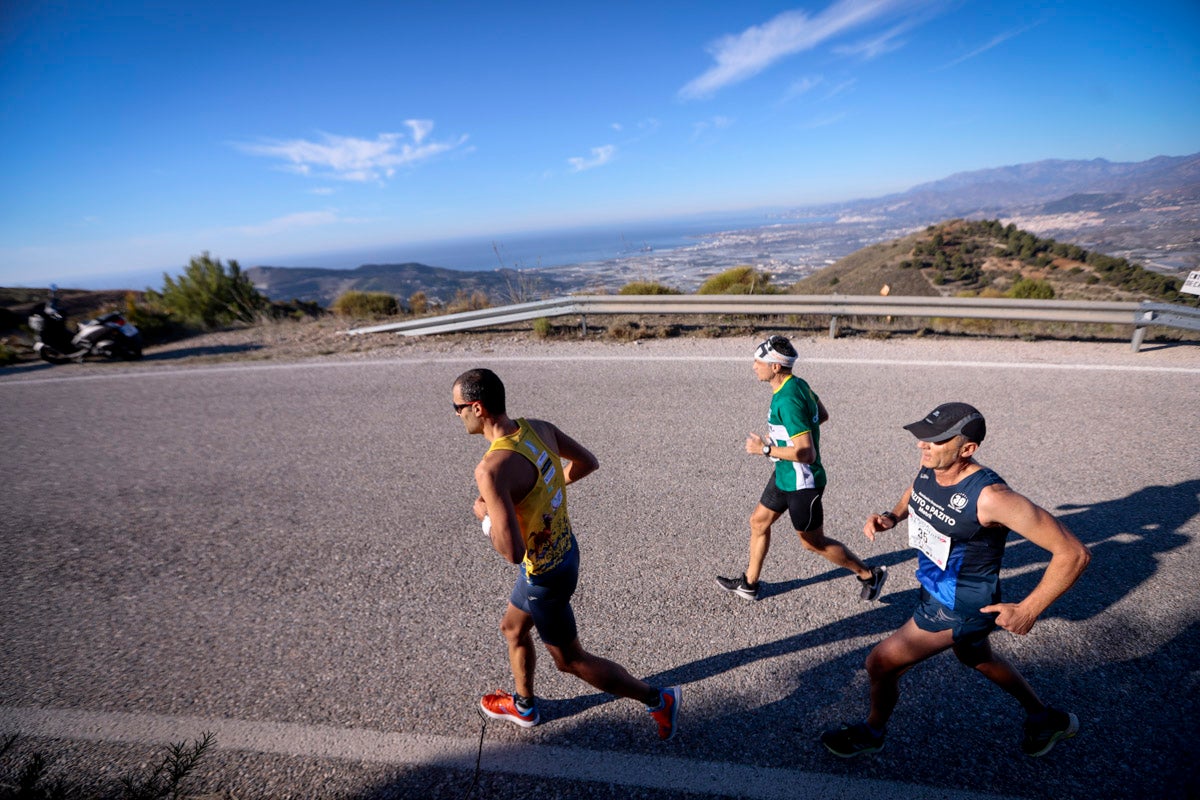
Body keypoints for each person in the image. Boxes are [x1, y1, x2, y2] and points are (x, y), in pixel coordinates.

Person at [821, 402, 1091, 758]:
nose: (923, 446)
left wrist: (1029, 609)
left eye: (936, 440)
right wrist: (893, 516)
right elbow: (916, 490)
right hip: (935, 589)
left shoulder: (992, 498)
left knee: (880, 663)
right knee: (975, 656)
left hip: (959, 605)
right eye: (922, 438)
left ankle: (872, 732)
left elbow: (1074, 553)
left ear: (968, 449)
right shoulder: (933, 466)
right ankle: (1045, 719)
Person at [453, 368, 680, 740]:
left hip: (544, 575)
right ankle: (524, 707)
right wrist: (541, 494)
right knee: (512, 628)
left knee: (570, 661)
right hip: (565, 550)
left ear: (477, 408)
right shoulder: (537, 428)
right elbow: (586, 463)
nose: (456, 414)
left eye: (457, 407)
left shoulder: (491, 470)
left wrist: (485, 518)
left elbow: (512, 551)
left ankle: (657, 699)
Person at [717, 335, 887, 602]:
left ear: (775, 367)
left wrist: (765, 449)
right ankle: (749, 583)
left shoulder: (787, 400)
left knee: (812, 543)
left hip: (803, 482)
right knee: (758, 522)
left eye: (758, 361)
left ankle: (868, 574)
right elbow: (823, 415)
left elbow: (806, 453)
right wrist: (785, 439)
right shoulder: (798, 385)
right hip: (784, 473)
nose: (753, 366)